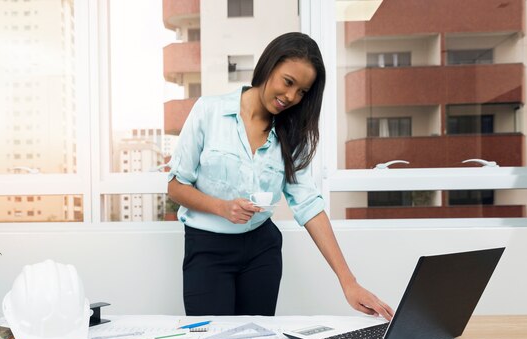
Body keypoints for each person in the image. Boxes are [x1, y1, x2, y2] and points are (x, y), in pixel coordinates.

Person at [167, 32, 394, 320]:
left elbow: (308, 204)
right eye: (288, 82)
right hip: (207, 249)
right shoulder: (208, 111)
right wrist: (222, 207)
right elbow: (176, 187)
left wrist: (348, 282)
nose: (291, 97)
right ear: (269, 66)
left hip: (261, 251)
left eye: (302, 92)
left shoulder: (293, 135)